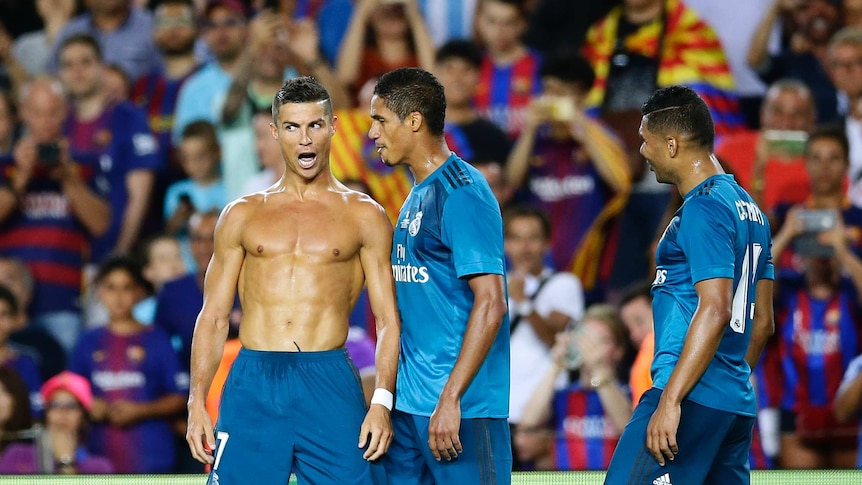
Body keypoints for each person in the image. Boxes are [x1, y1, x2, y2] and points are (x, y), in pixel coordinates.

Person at [185, 76, 399, 484]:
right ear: (274, 132)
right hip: (253, 381)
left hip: (329, 379)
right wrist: (197, 401)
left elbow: (388, 319)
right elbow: (212, 317)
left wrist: (383, 402)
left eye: (314, 125)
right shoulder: (240, 215)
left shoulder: (365, 215)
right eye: (292, 127)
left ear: (333, 126)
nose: (304, 139)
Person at [604, 85, 775, 485]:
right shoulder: (750, 210)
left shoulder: (703, 208)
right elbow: (762, 322)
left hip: (688, 395)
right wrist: (726, 384)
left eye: (646, 142)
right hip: (732, 404)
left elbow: (715, 308)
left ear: (672, 143)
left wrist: (672, 399)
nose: (642, 153)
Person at [368, 67, 512, 483]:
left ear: (413, 120)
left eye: (380, 120)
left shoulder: (463, 192)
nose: (373, 133)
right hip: (413, 409)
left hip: (461, 412)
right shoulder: (416, 194)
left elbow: (492, 303)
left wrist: (450, 398)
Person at [70, 255, 188, 474]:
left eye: (126, 287)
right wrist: (90, 404)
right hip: (98, 461)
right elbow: (71, 391)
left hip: (153, 458)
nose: (118, 297)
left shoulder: (157, 338)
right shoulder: (88, 341)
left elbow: (180, 395)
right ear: (99, 291)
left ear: (138, 292)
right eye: (110, 287)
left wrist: (141, 410)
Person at [516, 304, 632, 471]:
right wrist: (555, 366)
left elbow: (627, 428)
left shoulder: (628, 391)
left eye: (602, 340)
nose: (590, 347)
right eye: (585, 339)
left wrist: (598, 370)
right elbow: (528, 423)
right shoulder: (565, 396)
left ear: (618, 349)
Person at [0, 371, 114, 474]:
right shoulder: (17, 455)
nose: (62, 412)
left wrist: (65, 461)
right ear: (46, 414)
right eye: (55, 405)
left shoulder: (99, 467)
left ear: (83, 418)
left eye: (71, 406)